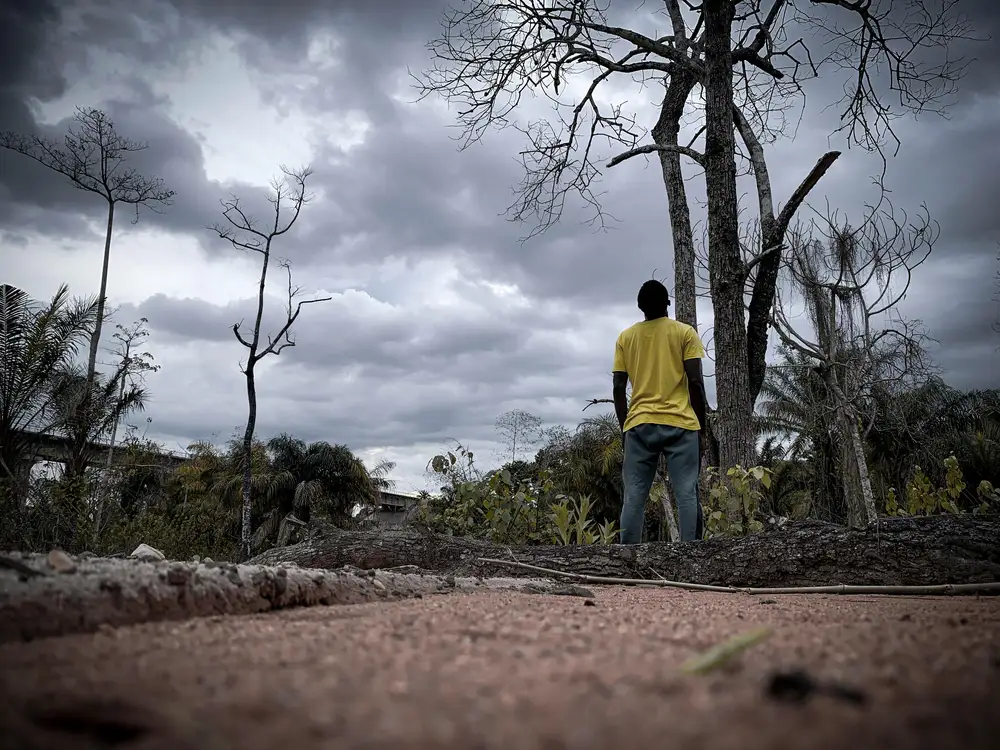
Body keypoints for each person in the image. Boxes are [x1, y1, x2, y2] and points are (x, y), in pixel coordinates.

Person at [612, 279, 709, 543]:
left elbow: (619, 386)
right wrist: (700, 429)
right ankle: (691, 556)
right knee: (686, 492)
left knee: (634, 495)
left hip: (639, 425)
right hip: (681, 424)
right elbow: (696, 383)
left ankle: (627, 558)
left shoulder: (626, 338)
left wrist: (625, 427)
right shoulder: (684, 333)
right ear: (668, 304)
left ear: (640, 307)